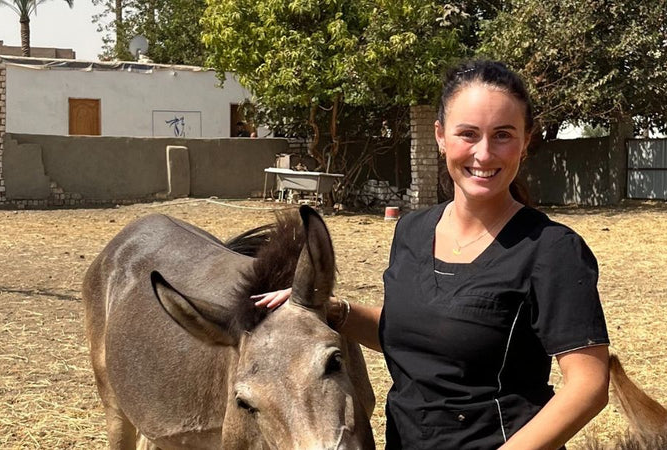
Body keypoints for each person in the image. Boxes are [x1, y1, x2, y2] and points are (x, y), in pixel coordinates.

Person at [252, 59, 610, 449]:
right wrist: (333, 311)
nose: (485, 153)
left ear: (525, 142)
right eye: (468, 134)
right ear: (441, 136)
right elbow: (415, 333)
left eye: (503, 135)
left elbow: (588, 387)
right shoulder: (411, 231)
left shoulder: (552, 250)